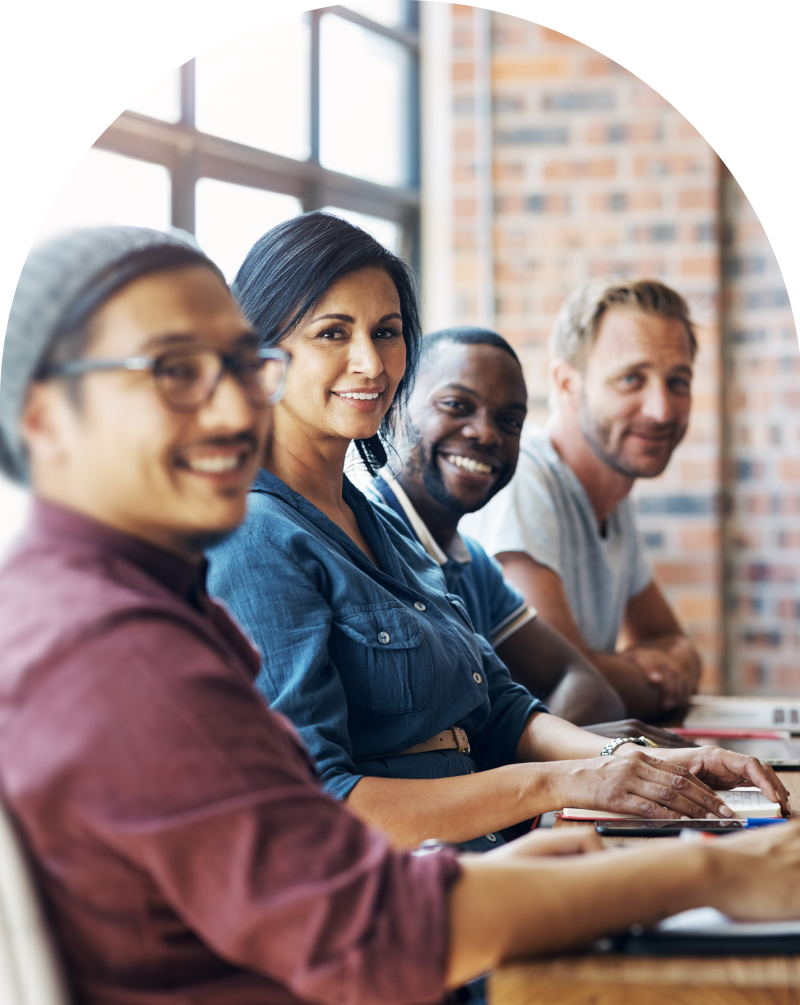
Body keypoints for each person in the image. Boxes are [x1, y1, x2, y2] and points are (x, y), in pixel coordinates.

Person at [0, 226, 796, 1005]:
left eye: (240, 365)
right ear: (43, 418)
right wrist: (710, 871)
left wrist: (608, 798)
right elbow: (367, 931)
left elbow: (323, 865)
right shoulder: (117, 648)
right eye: (174, 371)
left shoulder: (138, 594)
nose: (233, 406)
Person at [208, 213, 780, 855]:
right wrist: (565, 783)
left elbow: (505, 709)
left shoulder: (374, 522)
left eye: (388, 332)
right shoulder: (253, 536)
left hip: (498, 859)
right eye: (332, 333)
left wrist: (639, 761)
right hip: (407, 906)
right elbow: (321, 805)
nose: (370, 362)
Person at [367, 325, 683, 745]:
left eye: (509, 421)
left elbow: (589, 687)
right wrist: (560, 749)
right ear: (393, 407)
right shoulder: (361, 540)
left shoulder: (473, 564)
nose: (486, 433)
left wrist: (564, 746)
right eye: (457, 404)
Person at [462, 278, 703, 722]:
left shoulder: (615, 490)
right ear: (566, 383)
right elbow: (565, 687)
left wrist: (661, 664)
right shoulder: (523, 479)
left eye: (678, 382)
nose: (662, 409)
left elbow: (675, 643)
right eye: (631, 379)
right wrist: (651, 676)